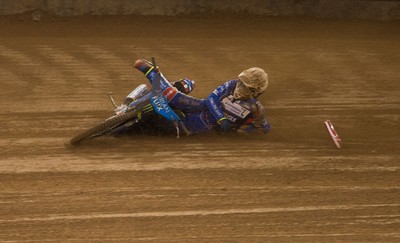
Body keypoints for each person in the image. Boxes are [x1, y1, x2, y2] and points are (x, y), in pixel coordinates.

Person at [133, 59, 271, 135]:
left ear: (256, 92)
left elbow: (263, 128)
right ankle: (152, 72)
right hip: (201, 107)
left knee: (153, 128)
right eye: (241, 83)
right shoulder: (231, 85)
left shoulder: (256, 109)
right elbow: (211, 99)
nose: (240, 88)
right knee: (171, 95)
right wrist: (221, 118)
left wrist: (241, 132)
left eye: (246, 88)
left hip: (201, 131)